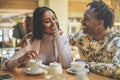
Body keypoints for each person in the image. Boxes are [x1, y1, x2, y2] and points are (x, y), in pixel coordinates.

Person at [2, 6, 72, 70]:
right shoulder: (30, 40)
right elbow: (6, 66)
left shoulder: (63, 39)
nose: (53, 23)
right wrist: (22, 59)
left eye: (54, 18)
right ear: (39, 25)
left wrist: (57, 37)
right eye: (47, 21)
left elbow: (67, 64)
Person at [69, 0, 120, 78]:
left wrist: (87, 64)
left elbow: (117, 69)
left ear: (100, 23)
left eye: (86, 18)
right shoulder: (82, 36)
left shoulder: (116, 41)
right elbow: (63, 41)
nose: (81, 21)